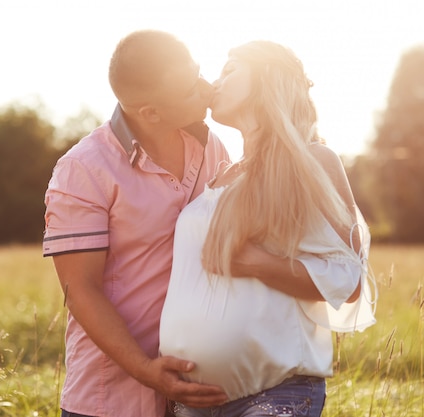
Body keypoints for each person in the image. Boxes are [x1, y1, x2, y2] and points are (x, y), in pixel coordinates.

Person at [159, 40, 377, 417]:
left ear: (268, 77)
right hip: (189, 401)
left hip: (274, 395)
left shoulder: (311, 159)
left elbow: (349, 279)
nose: (215, 81)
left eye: (230, 70)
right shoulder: (219, 175)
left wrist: (253, 262)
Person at [42, 30, 231, 417]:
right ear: (150, 113)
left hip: (196, 396)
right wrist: (146, 371)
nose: (206, 87)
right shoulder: (83, 169)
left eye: (198, 73)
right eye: (189, 88)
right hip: (108, 400)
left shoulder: (213, 149)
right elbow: (80, 290)